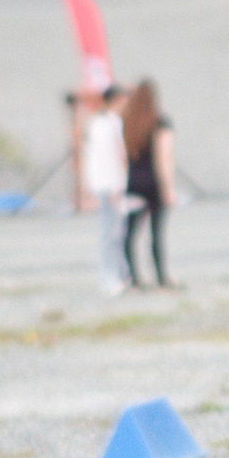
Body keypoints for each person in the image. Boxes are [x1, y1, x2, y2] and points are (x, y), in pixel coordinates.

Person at [121, 78, 178, 289]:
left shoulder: (127, 122)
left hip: (133, 182)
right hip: (153, 182)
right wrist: (168, 188)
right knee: (156, 233)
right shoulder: (159, 122)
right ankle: (161, 277)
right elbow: (164, 158)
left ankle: (134, 277)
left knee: (131, 232)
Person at [80, 84, 132, 295]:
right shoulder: (110, 125)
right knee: (111, 234)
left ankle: (119, 274)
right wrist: (116, 184)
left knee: (114, 233)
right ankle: (110, 277)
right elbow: (113, 157)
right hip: (112, 185)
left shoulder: (99, 124)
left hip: (105, 184)